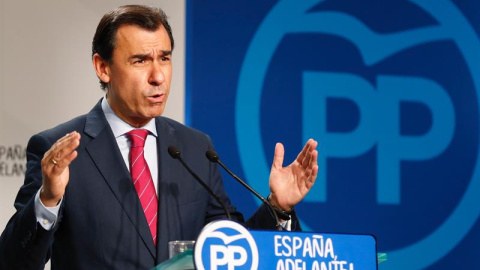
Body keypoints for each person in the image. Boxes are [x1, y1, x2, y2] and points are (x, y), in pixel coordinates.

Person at [0, 5, 318, 270]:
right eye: (140, 60)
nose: (158, 76)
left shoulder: (195, 148)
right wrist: (48, 199)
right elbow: (13, 260)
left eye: (164, 58)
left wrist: (277, 207)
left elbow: (230, 247)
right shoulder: (62, 149)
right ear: (103, 67)